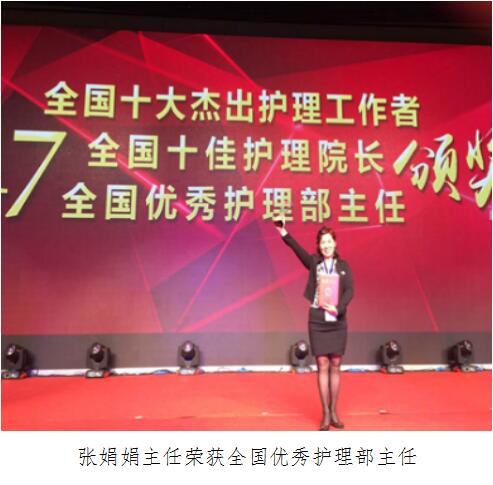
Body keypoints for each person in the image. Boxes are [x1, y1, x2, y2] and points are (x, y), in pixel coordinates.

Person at [276, 221, 353, 430]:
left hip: (337, 319)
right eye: (323, 242)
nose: (326, 245)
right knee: (322, 364)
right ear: (319, 246)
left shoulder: (343, 266)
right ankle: (325, 413)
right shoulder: (314, 263)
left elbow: (349, 291)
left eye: (329, 241)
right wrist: (283, 231)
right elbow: (297, 250)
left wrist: (338, 308)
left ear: (335, 243)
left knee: (336, 363)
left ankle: (334, 411)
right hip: (318, 319)